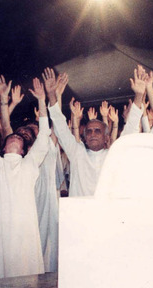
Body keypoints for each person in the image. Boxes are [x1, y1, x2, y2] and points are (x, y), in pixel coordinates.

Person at [0, 76, 51, 279]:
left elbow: (44, 134)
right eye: (13, 135)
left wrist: (42, 100)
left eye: (20, 137)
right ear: (3, 147)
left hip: (24, 231)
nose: (17, 135)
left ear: (24, 150)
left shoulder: (29, 164)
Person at [45, 68, 109, 197]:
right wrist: (52, 95)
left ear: (106, 137)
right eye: (89, 131)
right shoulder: (77, 153)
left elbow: (131, 128)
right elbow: (60, 127)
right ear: (84, 137)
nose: (92, 134)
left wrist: (139, 95)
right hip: (79, 214)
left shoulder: (113, 155)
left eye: (98, 131)